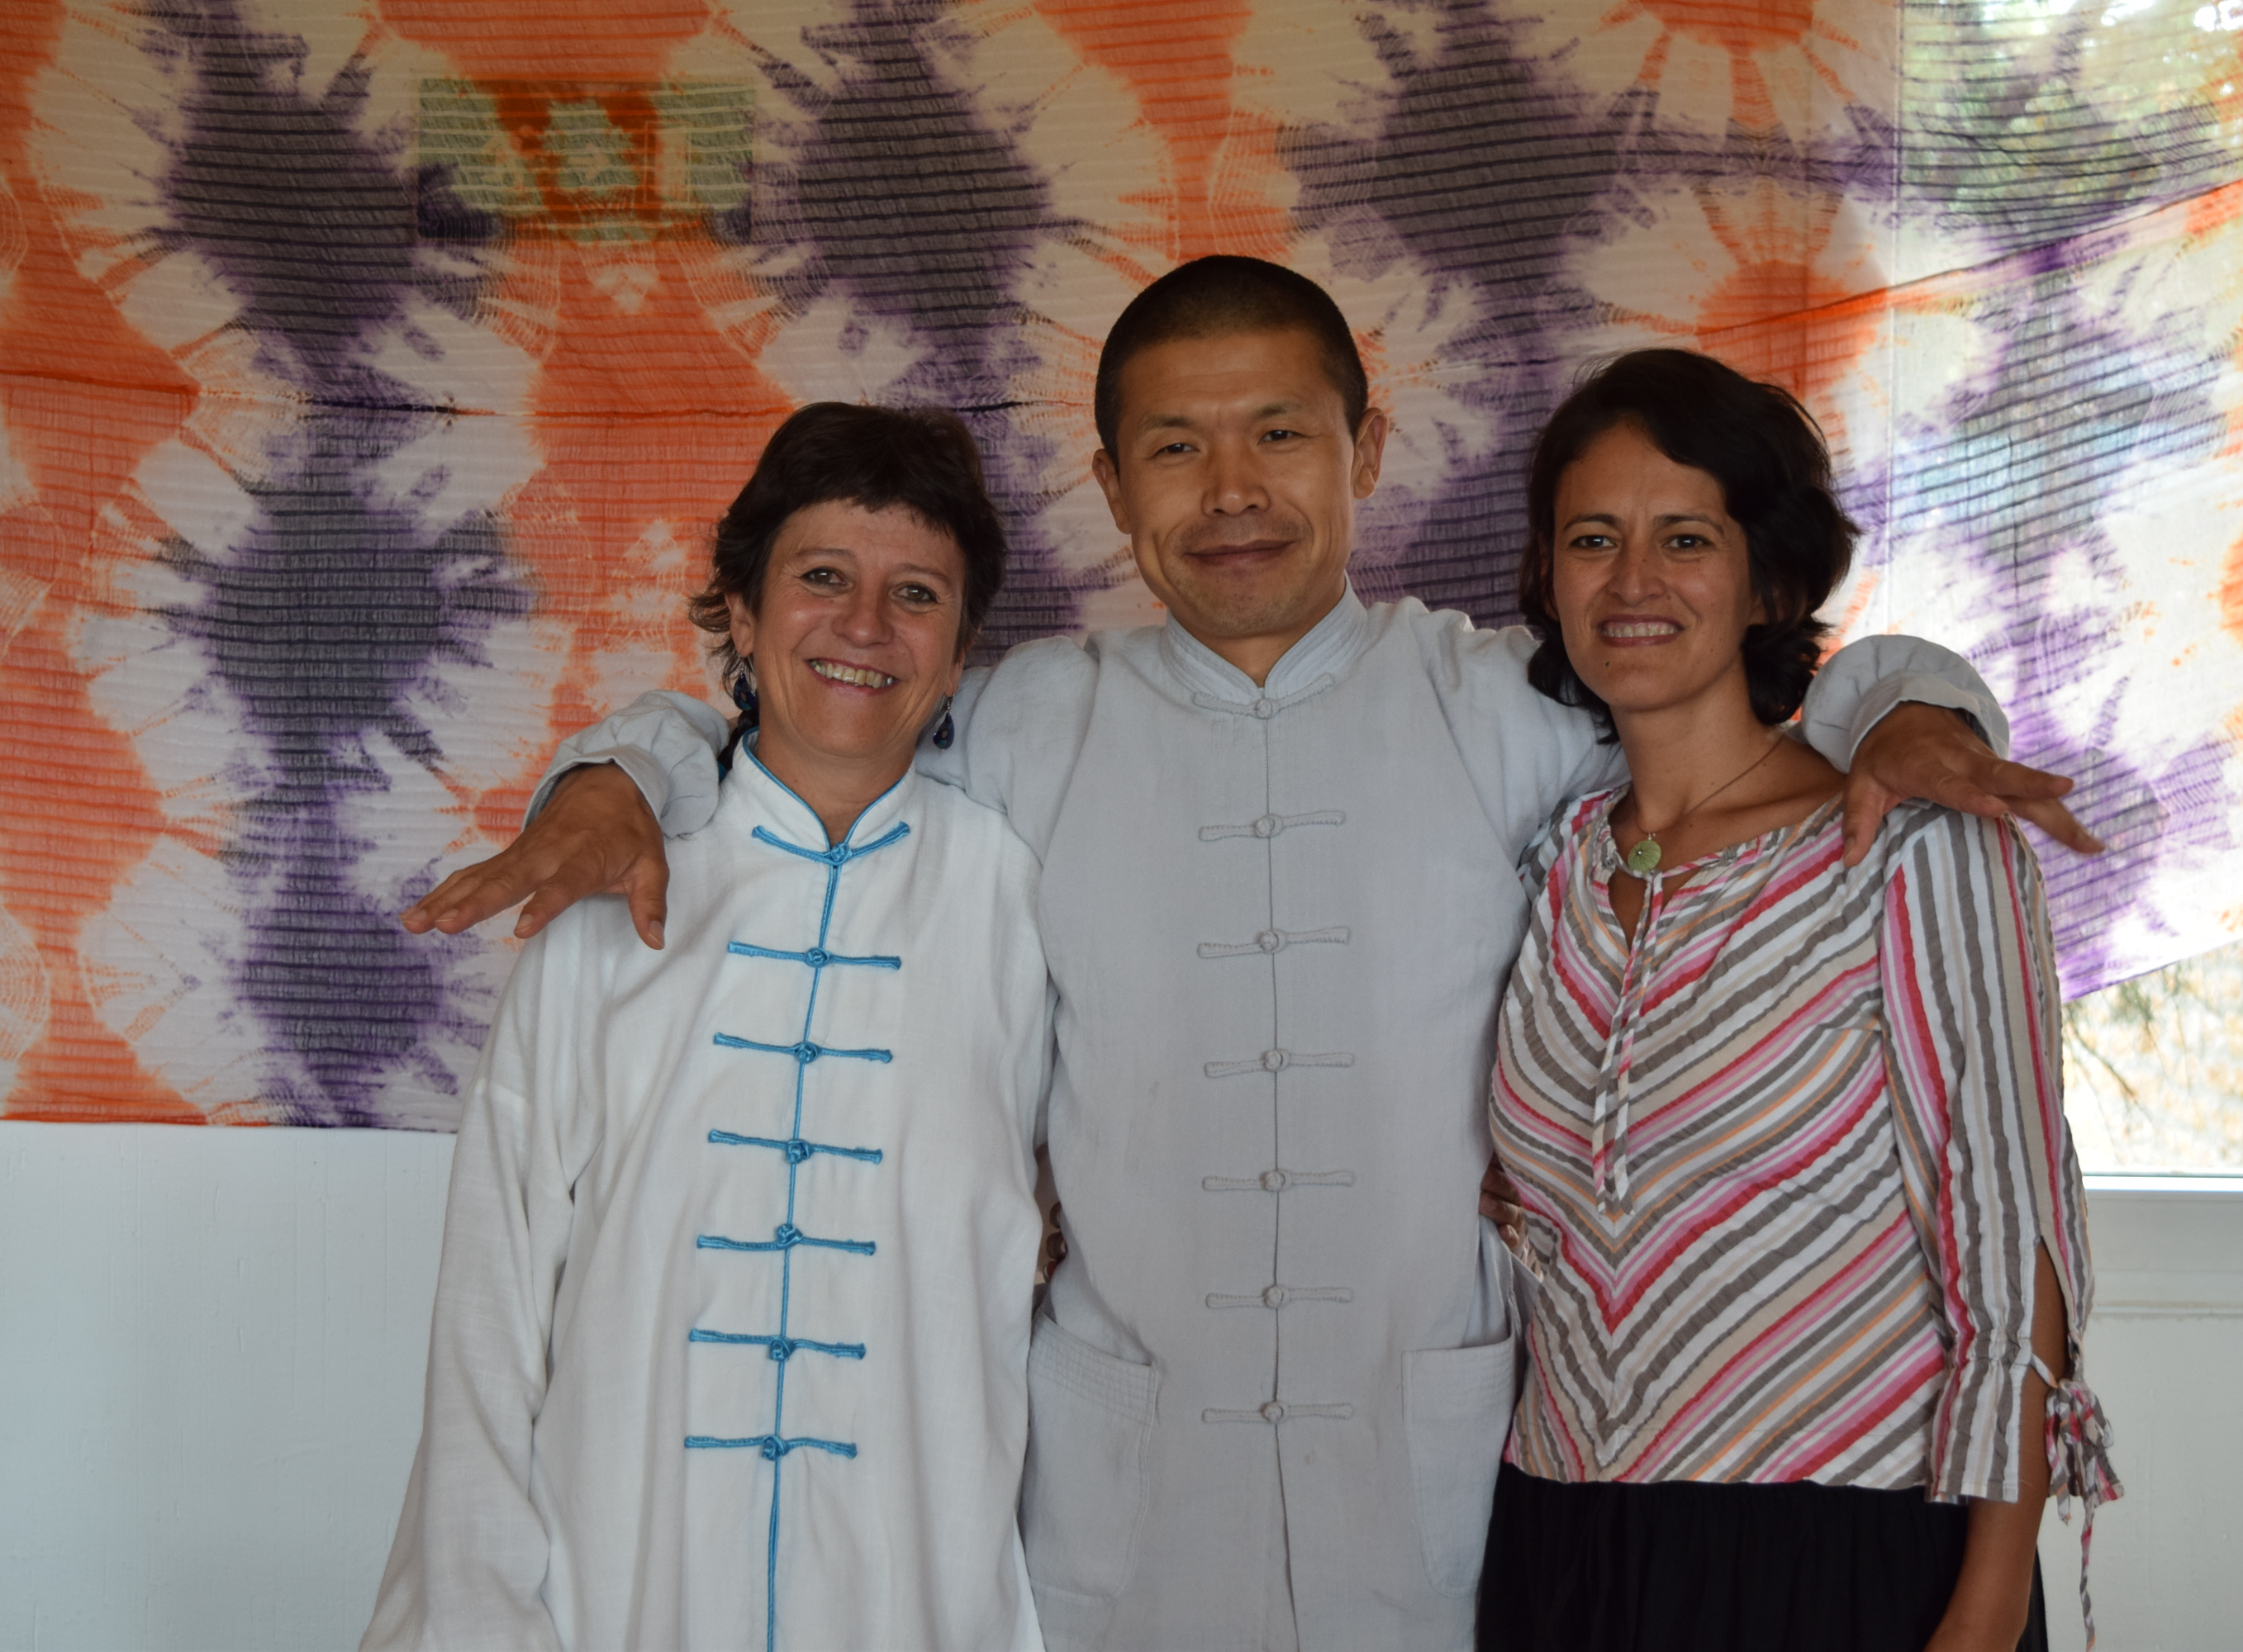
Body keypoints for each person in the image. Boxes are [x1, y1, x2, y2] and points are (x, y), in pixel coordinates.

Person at [402, 258, 2098, 1651]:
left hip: (1444, 1500)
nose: (1231, 492)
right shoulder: (1022, 723)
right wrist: (613, 768)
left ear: (1365, 448)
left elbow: (1738, 693)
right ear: (1109, 485)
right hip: (1122, 1505)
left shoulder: (1506, 707)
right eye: (1175, 447)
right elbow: (794, 725)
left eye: (1280, 433)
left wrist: (1916, 703)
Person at [363, 404, 1053, 1652]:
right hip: (616, 1580)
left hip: (918, 1590)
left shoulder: (1026, 905)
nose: (864, 626)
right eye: (821, 577)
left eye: (916, 595)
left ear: (960, 656)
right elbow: (492, 1292)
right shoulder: (608, 891)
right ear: (739, 611)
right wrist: (477, 1610)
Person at [1479, 350, 2120, 1652]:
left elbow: (2012, 1239)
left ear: (1768, 584)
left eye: (1686, 538)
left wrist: (1989, 1604)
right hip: (1561, 1545)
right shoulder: (1548, 862)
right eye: (1592, 539)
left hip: (1847, 1548)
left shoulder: (1911, 842)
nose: (1632, 580)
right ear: (1548, 577)